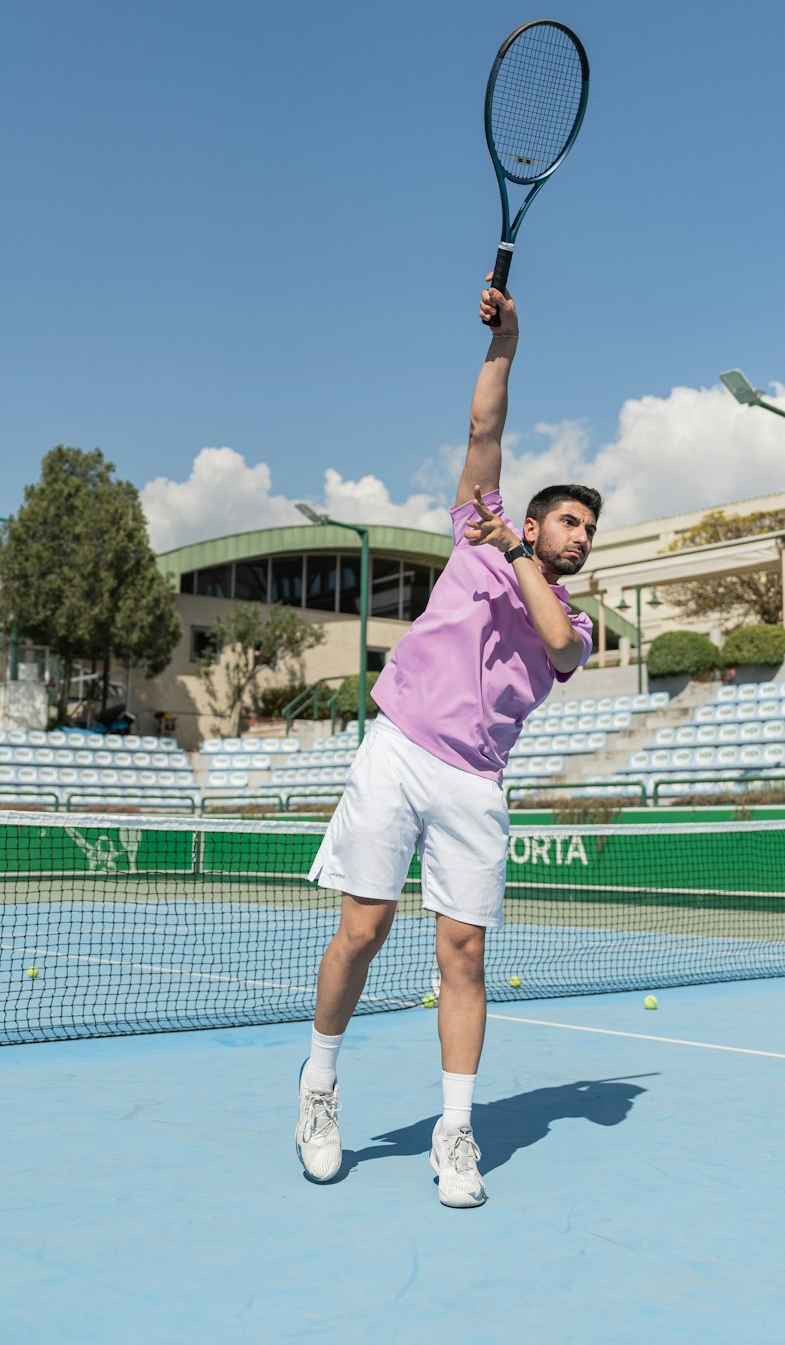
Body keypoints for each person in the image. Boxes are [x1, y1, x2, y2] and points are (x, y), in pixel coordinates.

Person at [295, 278, 602, 1205]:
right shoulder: (475, 533)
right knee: (363, 929)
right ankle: (318, 1085)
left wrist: (516, 552)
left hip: (475, 780)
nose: (580, 536)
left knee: (462, 953)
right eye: (569, 520)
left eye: (590, 530)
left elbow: (551, 643)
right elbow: (483, 434)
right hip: (398, 748)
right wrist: (505, 344)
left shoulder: (576, 624)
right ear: (536, 515)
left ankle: (456, 1133)